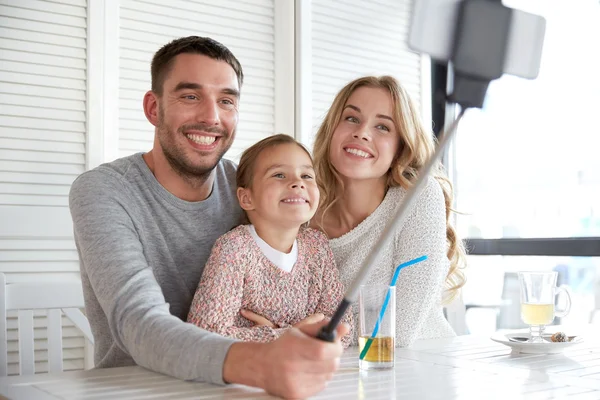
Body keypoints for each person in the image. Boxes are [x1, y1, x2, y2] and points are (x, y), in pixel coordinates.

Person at [69, 36, 348, 400]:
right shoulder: (105, 191)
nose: (211, 117)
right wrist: (271, 353)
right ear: (154, 108)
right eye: (190, 96)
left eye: (226, 101)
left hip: (241, 391)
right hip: (139, 389)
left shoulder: (251, 185)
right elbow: (139, 324)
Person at [311, 75, 467, 346]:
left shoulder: (418, 198)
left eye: (382, 127)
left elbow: (397, 330)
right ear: (332, 129)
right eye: (351, 118)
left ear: (400, 147)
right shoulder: (301, 210)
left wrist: (294, 329)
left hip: (423, 371)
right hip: (334, 374)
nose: (362, 132)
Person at [187, 134, 352, 347]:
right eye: (279, 175)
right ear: (247, 198)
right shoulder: (235, 248)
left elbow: (343, 327)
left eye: (307, 176)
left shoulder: (317, 246)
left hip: (302, 373)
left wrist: (282, 334)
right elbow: (203, 333)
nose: (298, 183)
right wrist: (285, 336)